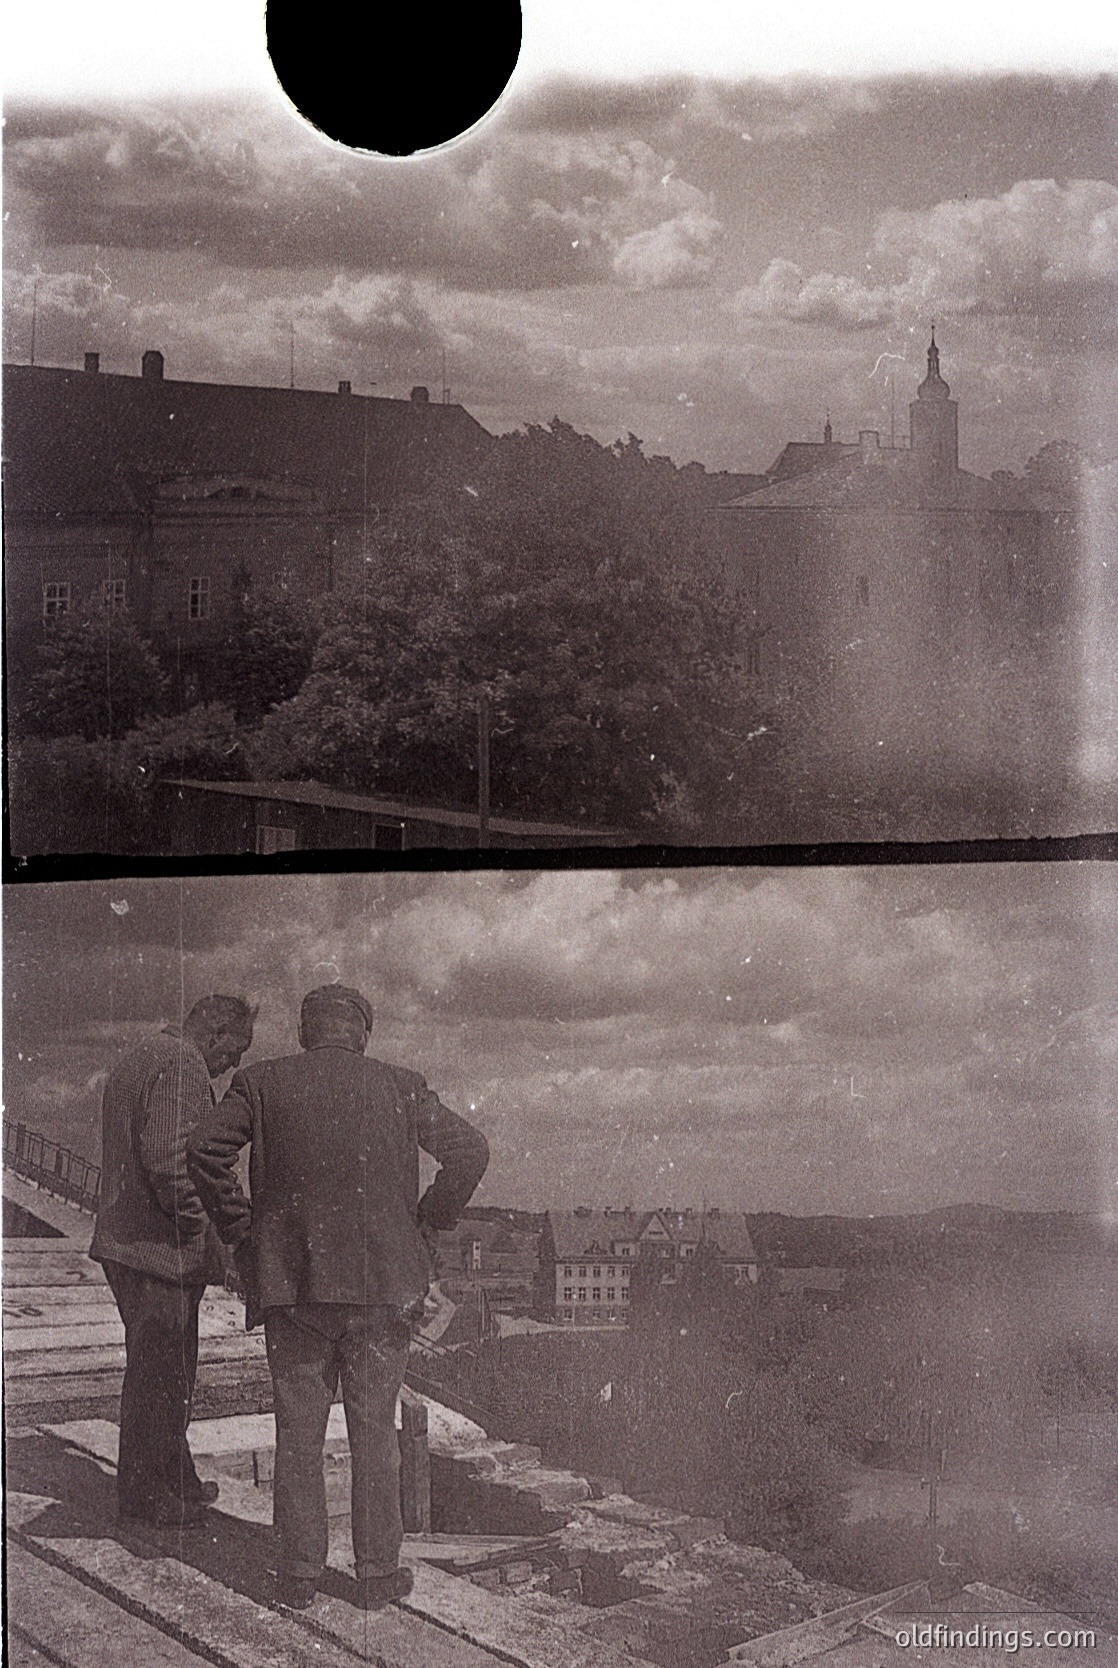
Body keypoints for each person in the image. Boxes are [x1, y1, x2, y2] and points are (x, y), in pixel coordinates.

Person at [187, 983, 489, 1611]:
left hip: (293, 1289)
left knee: (298, 1433)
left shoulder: (262, 1083)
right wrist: (427, 1222)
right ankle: (376, 1577)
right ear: (362, 1033)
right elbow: (470, 1149)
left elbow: (204, 1150)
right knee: (375, 1436)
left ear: (305, 1031)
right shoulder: (402, 1085)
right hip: (383, 1292)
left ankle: (299, 1575)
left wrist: (245, 1236)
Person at [90, 994, 256, 1528]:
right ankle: (144, 1496)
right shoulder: (182, 1065)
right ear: (215, 1035)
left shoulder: (146, 1054)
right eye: (235, 1051)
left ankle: (173, 1476)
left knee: (165, 1369)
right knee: (160, 1375)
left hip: (129, 1244)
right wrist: (212, 1235)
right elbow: (170, 1165)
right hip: (156, 1253)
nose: (233, 1065)